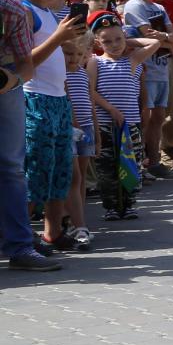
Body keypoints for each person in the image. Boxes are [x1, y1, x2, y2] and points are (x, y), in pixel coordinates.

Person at [20, 0, 85, 254]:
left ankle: (53, 231)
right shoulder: (24, 12)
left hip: (58, 101)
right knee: (36, 169)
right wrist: (58, 38)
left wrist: (68, 40)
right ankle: (21, 235)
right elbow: (24, 63)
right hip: (34, 98)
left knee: (61, 170)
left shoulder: (50, 14)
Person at [0, 0, 52, 270]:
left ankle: (20, 247)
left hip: (5, 85)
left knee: (10, 167)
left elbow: (27, 65)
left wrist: (12, 80)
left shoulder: (12, 9)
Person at [88, 13, 160, 222]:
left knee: (130, 164)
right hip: (105, 124)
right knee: (108, 168)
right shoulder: (96, 63)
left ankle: (128, 204)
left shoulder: (133, 60)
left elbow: (155, 42)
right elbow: (90, 91)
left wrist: (127, 40)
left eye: (118, 39)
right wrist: (110, 108)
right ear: (97, 42)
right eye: (107, 41)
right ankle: (111, 206)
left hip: (130, 125)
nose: (114, 45)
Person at [123, 0, 173, 179]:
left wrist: (163, 38)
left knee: (159, 118)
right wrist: (166, 39)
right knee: (143, 119)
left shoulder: (159, 8)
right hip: (145, 70)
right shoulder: (134, 6)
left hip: (162, 69)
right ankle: (140, 164)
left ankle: (155, 162)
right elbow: (147, 36)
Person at [60, 33, 95, 250]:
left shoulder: (83, 74)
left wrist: (96, 134)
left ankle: (78, 218)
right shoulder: (61, 75)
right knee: (73, 176)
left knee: (81, 177)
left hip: (87, 128)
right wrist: (76, 125)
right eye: (69, 53)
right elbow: (67, 103)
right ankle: (67, 218)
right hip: (72, 129)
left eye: (80, 54)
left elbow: (90, 103)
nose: (74, 58)